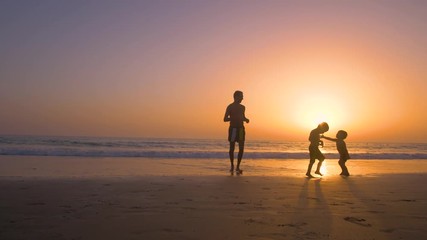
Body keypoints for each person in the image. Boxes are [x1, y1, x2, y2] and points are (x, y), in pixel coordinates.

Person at [224, 90, 249, 174]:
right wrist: (233, 118)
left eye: (242, 96)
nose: (242, 98)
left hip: (241, 129)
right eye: (241, 96)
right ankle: (232, 165)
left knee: (241, 148)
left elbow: (243, 117)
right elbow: (225, 119)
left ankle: (238, 166)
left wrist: (246, 119)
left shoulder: (243, 107)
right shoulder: (230, 107)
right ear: (236, 97)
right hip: (233, 129)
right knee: (232, 148)